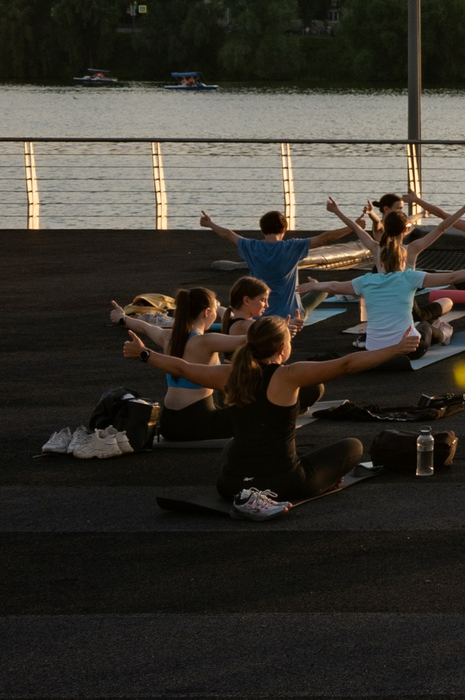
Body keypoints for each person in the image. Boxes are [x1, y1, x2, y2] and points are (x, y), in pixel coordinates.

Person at [128, 315, 422, 515]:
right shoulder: (288, 376)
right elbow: (346, 365)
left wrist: (144, 353)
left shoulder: (231, 374)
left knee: (234, 445)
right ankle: (272, 492)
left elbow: (182, 368)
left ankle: (248, 490)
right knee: (353, 447)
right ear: (283, 348)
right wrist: (395, 348)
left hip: (228, 484)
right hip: (284, 483)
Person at [304, 204, 465, 352]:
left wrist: (337, 211)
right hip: (410, 306)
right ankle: (442, 331)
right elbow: (442, 229)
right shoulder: (411, 249)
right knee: (447, 302)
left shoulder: (376, 250)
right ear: (406, 229)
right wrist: (464, 209)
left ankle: (374, 335)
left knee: (425, 310)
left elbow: (357, 230)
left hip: (382, 304)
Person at [197, 200, 362, 324]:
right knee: (321, 290)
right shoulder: (292, 246)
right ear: (284, 230)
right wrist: (354, 227)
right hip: (289, 316)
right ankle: (315, 284)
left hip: (258, 315)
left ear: (262, 230)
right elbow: (325, 237)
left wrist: (209, 223)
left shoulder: (251, 247)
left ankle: (313, 285)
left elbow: (228, 234)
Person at [111, 286, 240, 441]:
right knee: (254, 413)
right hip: (196, 422)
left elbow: (144, 327)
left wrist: (121, 317)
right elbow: (247, 339)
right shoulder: (206, 341)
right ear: (206, 312)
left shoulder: (168, 336)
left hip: (169, 423)